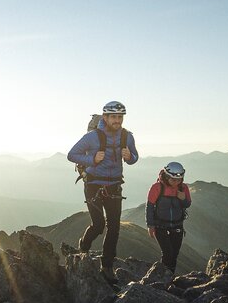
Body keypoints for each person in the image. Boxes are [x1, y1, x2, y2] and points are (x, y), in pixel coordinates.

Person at [67, 100, 139, 285]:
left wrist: (130, 157)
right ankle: (84, 246)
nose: (117, 120)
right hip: (93, 185)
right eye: (113, 117)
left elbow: (134, 158)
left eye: (120, 117)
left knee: (114, 227)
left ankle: (106, 267)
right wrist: (92, 159)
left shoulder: (127, 137)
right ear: (105, 117)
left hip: (114, 186)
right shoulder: (92, 137)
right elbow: (72, 155)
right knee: (99, 225)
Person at [146, 162, 191, 274]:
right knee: (167, 253)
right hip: (160, 226)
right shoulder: (157, 187)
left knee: (174, 254)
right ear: (166, 176)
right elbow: (150, 207)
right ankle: (162, 277)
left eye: (179, 179)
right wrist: (150, 225)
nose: (176, 182)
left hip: (177, 225)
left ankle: (168, 277)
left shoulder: (183, 188)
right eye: (173, 180)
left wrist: (183, 199)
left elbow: (187, 204)